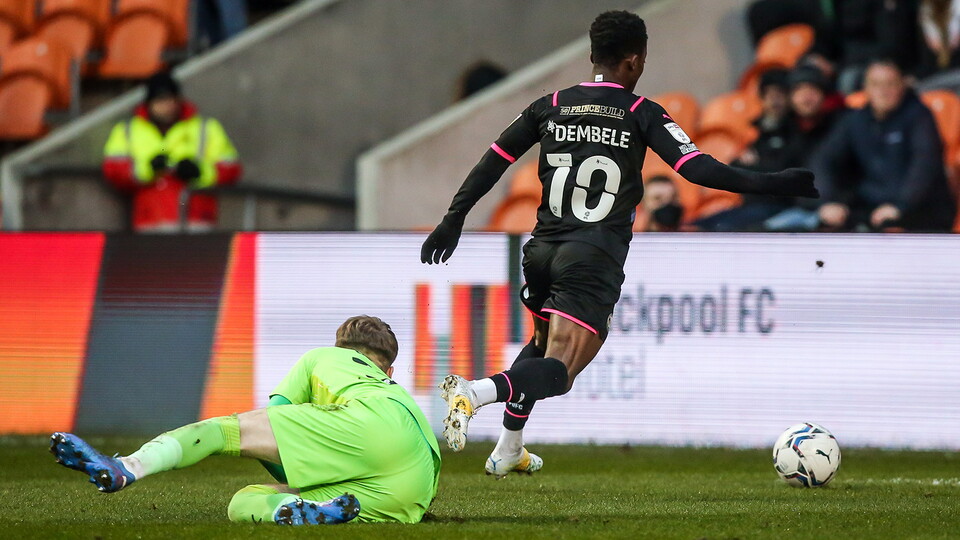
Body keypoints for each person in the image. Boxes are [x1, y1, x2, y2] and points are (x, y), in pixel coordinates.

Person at [420, 10, 818, 477]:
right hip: (593, 255)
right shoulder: (640, 112)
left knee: (543, 342)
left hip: (541, 250)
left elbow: (494, 161)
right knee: (560, 371)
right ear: (636, 60)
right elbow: (698, 170)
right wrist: (776, 183)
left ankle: (509, 448)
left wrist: (453, 219)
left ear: (592, 56)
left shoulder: (550, 104)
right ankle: (477, 393)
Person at [50, 316, 441, 525]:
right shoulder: (395, 390)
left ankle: (125, 468)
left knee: (224, 434)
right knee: (250, 501)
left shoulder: (323, 356)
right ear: (389, 369)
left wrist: (291, 465)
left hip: (365, 425)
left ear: (342, 348)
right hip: (415, 482)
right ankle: (312, 514)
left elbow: (274, 417)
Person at [812, 59, 956, 232]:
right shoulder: (855, 120)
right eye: (876, 84)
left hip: (920, 212)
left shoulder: (920, 116)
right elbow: (823, 159)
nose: (883, 91)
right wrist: (827, 201)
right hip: (869, 210)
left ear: (903, 85)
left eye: (891, 84)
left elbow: (925, 163)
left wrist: (900, 206)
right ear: (866, 88)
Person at [103, 71, 242, 233]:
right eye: (160, 100)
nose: (167, 106)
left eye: (171, 99)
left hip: (197, 220)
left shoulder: (206, 128)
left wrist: (200, 172)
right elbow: (113, 170)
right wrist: (147, 169)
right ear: (149, 103)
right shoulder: (127, 130)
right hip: (150, 221)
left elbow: (231, 168)